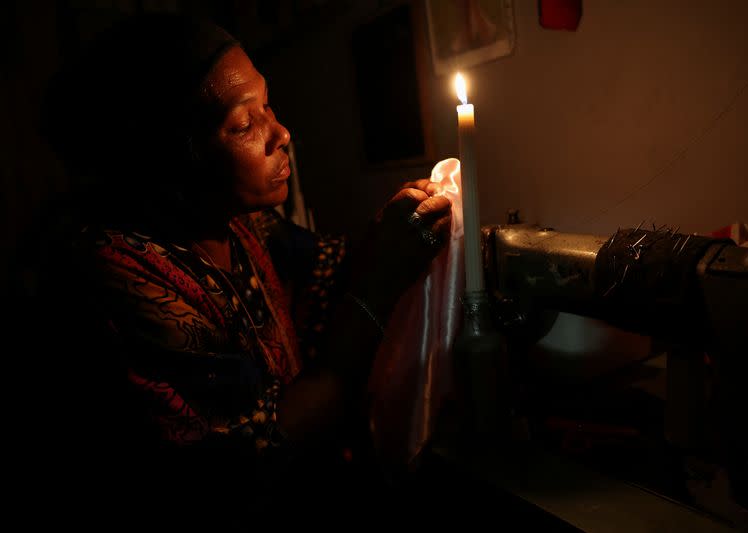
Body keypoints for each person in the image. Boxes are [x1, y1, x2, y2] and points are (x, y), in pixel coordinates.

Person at [40, 12, 451, 528]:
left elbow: (331, 264)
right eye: (243, 123)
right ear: (169, 156)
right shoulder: (117, 272)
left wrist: (401, 230)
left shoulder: (239, 225)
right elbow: (261, 446)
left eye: (268, 105)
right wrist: (379, 283)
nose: (280, 133)